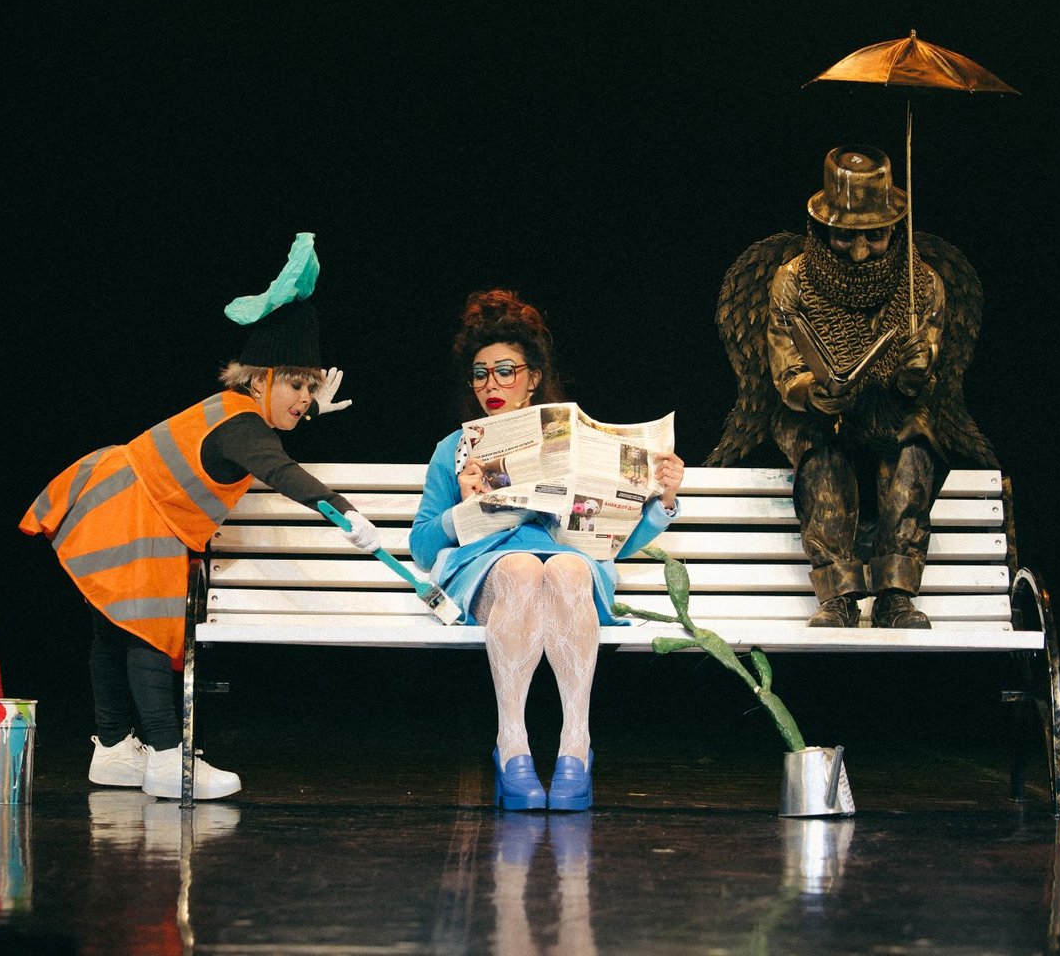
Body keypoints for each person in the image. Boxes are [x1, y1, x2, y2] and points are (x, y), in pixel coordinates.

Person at [20, 234, 380, 800]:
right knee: (146, 630)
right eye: (295, 384)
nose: (304, 397)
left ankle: (113, 749)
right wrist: (346, 511)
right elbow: (280, 470)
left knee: (113, 631)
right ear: (258, 379)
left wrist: (308, 411)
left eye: (311, 387)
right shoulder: (242, 423)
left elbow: (268, 445)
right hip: (136, 514)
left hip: (123, 500)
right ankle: (168, 758)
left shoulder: (239, 416)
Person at [409, 290, 685, 811]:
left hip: (570, 563)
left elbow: (613, 539)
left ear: (533, 377)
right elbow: (422, 546)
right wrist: (464, 509)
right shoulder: (456, 449)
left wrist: (663, 499)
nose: (491, 385)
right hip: (489, 569)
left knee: (565, 570)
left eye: (505, 371)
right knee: (520, 568)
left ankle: (575, 746)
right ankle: (511, 743)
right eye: (480, 374)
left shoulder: (571, 442)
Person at [707, 146, 999, 629]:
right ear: (822, 230)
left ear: (894, 230)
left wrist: (915, 372)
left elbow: (925, 371)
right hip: (817, 413)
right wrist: (812, 392)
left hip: (889, 408)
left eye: (875, 236)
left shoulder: (923, 285)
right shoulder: (793, 281)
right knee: (820, 451)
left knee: (917, 444)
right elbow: (786, 367)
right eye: (846, 237)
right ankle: (838, 593)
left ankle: (895, 594)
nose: (860, 252)